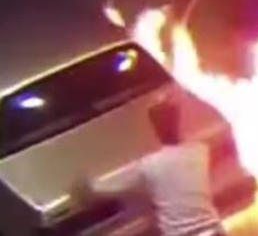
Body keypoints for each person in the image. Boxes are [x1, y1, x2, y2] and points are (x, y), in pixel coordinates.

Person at [74, 99, 226, 236]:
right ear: (177, 123)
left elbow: (109, 187)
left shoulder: (150, 165)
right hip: (213, 230)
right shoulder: (200, 151)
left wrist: (85, 187)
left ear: (156, 129)